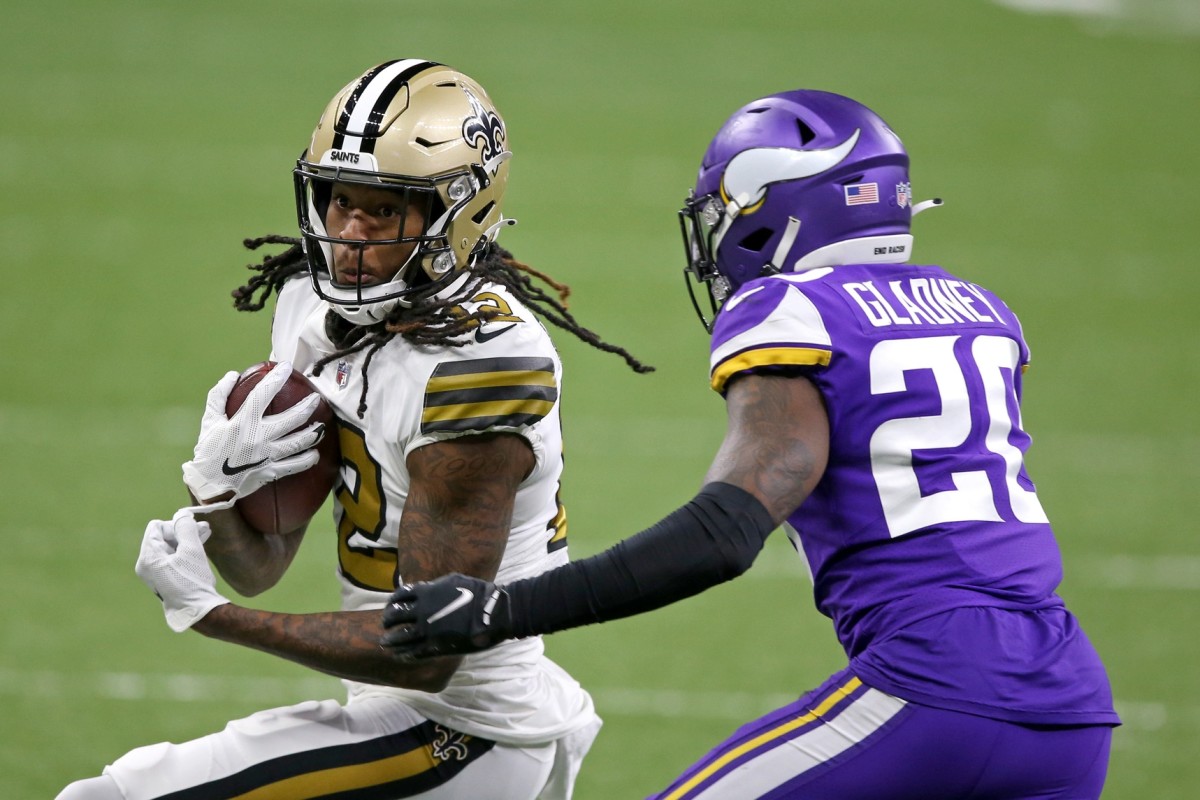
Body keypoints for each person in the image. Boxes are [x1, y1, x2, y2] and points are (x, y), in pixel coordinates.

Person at [379, 89, 1121, 798]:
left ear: (783, 208)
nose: (718, 238)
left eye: (728, 211)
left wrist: (500, 610)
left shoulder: (792, 307)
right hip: (1070, 706)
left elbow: (724, 533)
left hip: (937, 685)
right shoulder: (982, 310)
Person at [57, 58, 651, 800]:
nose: (349, 233)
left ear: (456, 215)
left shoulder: (481, 367)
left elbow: (425, 652)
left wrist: (215, 617)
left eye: (383, 209)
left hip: (465, 734)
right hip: (396, 714)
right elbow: (263, 562)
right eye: (340, 202)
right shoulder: (311, 308)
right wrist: (217, 492)